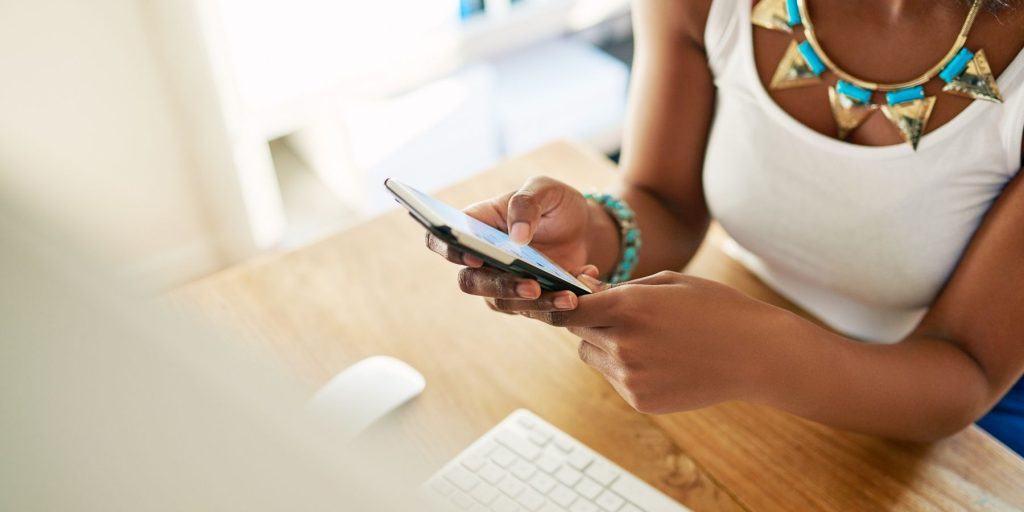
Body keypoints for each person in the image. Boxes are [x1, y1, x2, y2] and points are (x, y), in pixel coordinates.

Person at [426, 0, 1024, 454]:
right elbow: (665, 201)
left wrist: (760, 357)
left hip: (961, 419)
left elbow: (966, 371)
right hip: (742, 340)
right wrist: (595, 235)